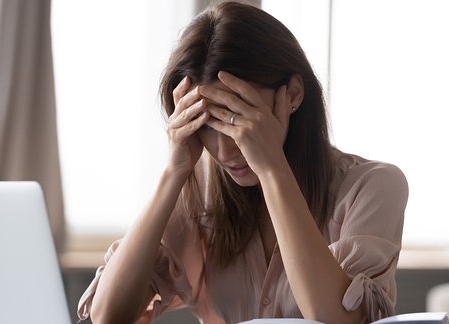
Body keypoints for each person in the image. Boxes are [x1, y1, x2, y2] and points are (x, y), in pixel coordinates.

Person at [77, 2, 408, 324]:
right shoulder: (198, 194)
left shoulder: (372, 186)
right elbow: (107, 316)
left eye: (236, 118)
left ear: (293, 94)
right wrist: (172, 173)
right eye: (206, 124)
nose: (224, 151)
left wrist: (272, 168)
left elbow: (337, 319)